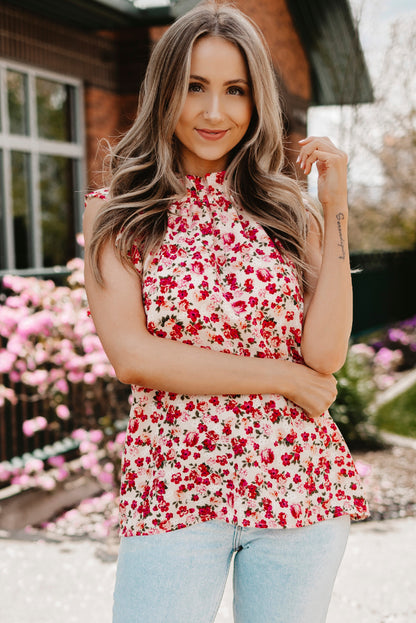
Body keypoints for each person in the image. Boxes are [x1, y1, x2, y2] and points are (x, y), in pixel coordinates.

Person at [83, 3, 369, 622]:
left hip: (298, 486)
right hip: (173, 490)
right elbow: (134, 357)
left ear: (256, 100)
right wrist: (281, 377)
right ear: (164, 92)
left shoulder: (289, 211)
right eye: (194, 87)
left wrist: (336, 206)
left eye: (234, 90)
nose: (215, 113)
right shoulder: (118, 213)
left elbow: (324, 356)